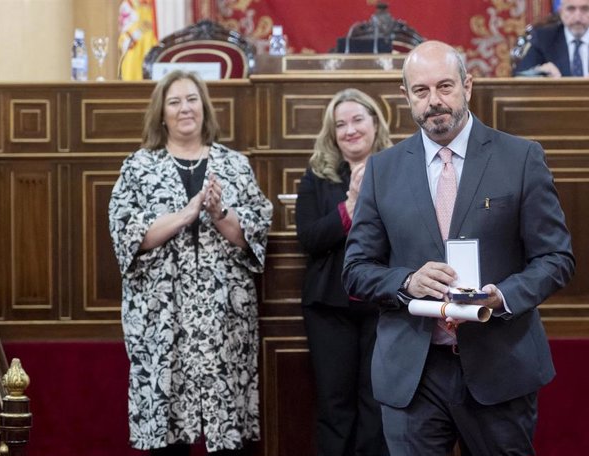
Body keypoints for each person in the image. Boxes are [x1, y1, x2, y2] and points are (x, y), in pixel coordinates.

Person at [342, 40, 575, 455]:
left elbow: (556, 259)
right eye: (421, 91)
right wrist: (408, 281)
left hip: (499, 366)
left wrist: (501, 297)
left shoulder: (521, 158)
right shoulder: (383, 170)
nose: (435, 101)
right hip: (413, 373)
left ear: (468, 85)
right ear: (406, 97)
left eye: (445, 87)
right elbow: (356, 268)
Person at [108, 70, 272, 455]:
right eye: (175, 101)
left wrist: (218, 211)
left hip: (223, 315)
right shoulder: (138, 167)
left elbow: (255, 232)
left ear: (205, 108)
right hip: (161, 315)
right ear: (161, 113)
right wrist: (186, 214)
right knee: (168, 433)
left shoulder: (235, 164)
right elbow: (128, 236)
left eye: (193, 99)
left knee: (228, 430)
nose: (186, 108)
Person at [295, 88, 392, 456]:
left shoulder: (398, 167)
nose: (350, 130)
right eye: (340, 125)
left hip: (382, 306)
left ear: (374, 123)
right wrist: (350, 204)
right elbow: (309, 239)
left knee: (377, 404)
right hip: (329, 308)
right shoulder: (317, 175)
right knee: (335, 406)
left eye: (357, 120)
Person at [514, 0, 589, 78]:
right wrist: (540, 71)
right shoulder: (544, 38)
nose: (577, 16)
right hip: (555, 108)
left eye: (584, 9)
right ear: (561, 12)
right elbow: (520, 74)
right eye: (571, 9)